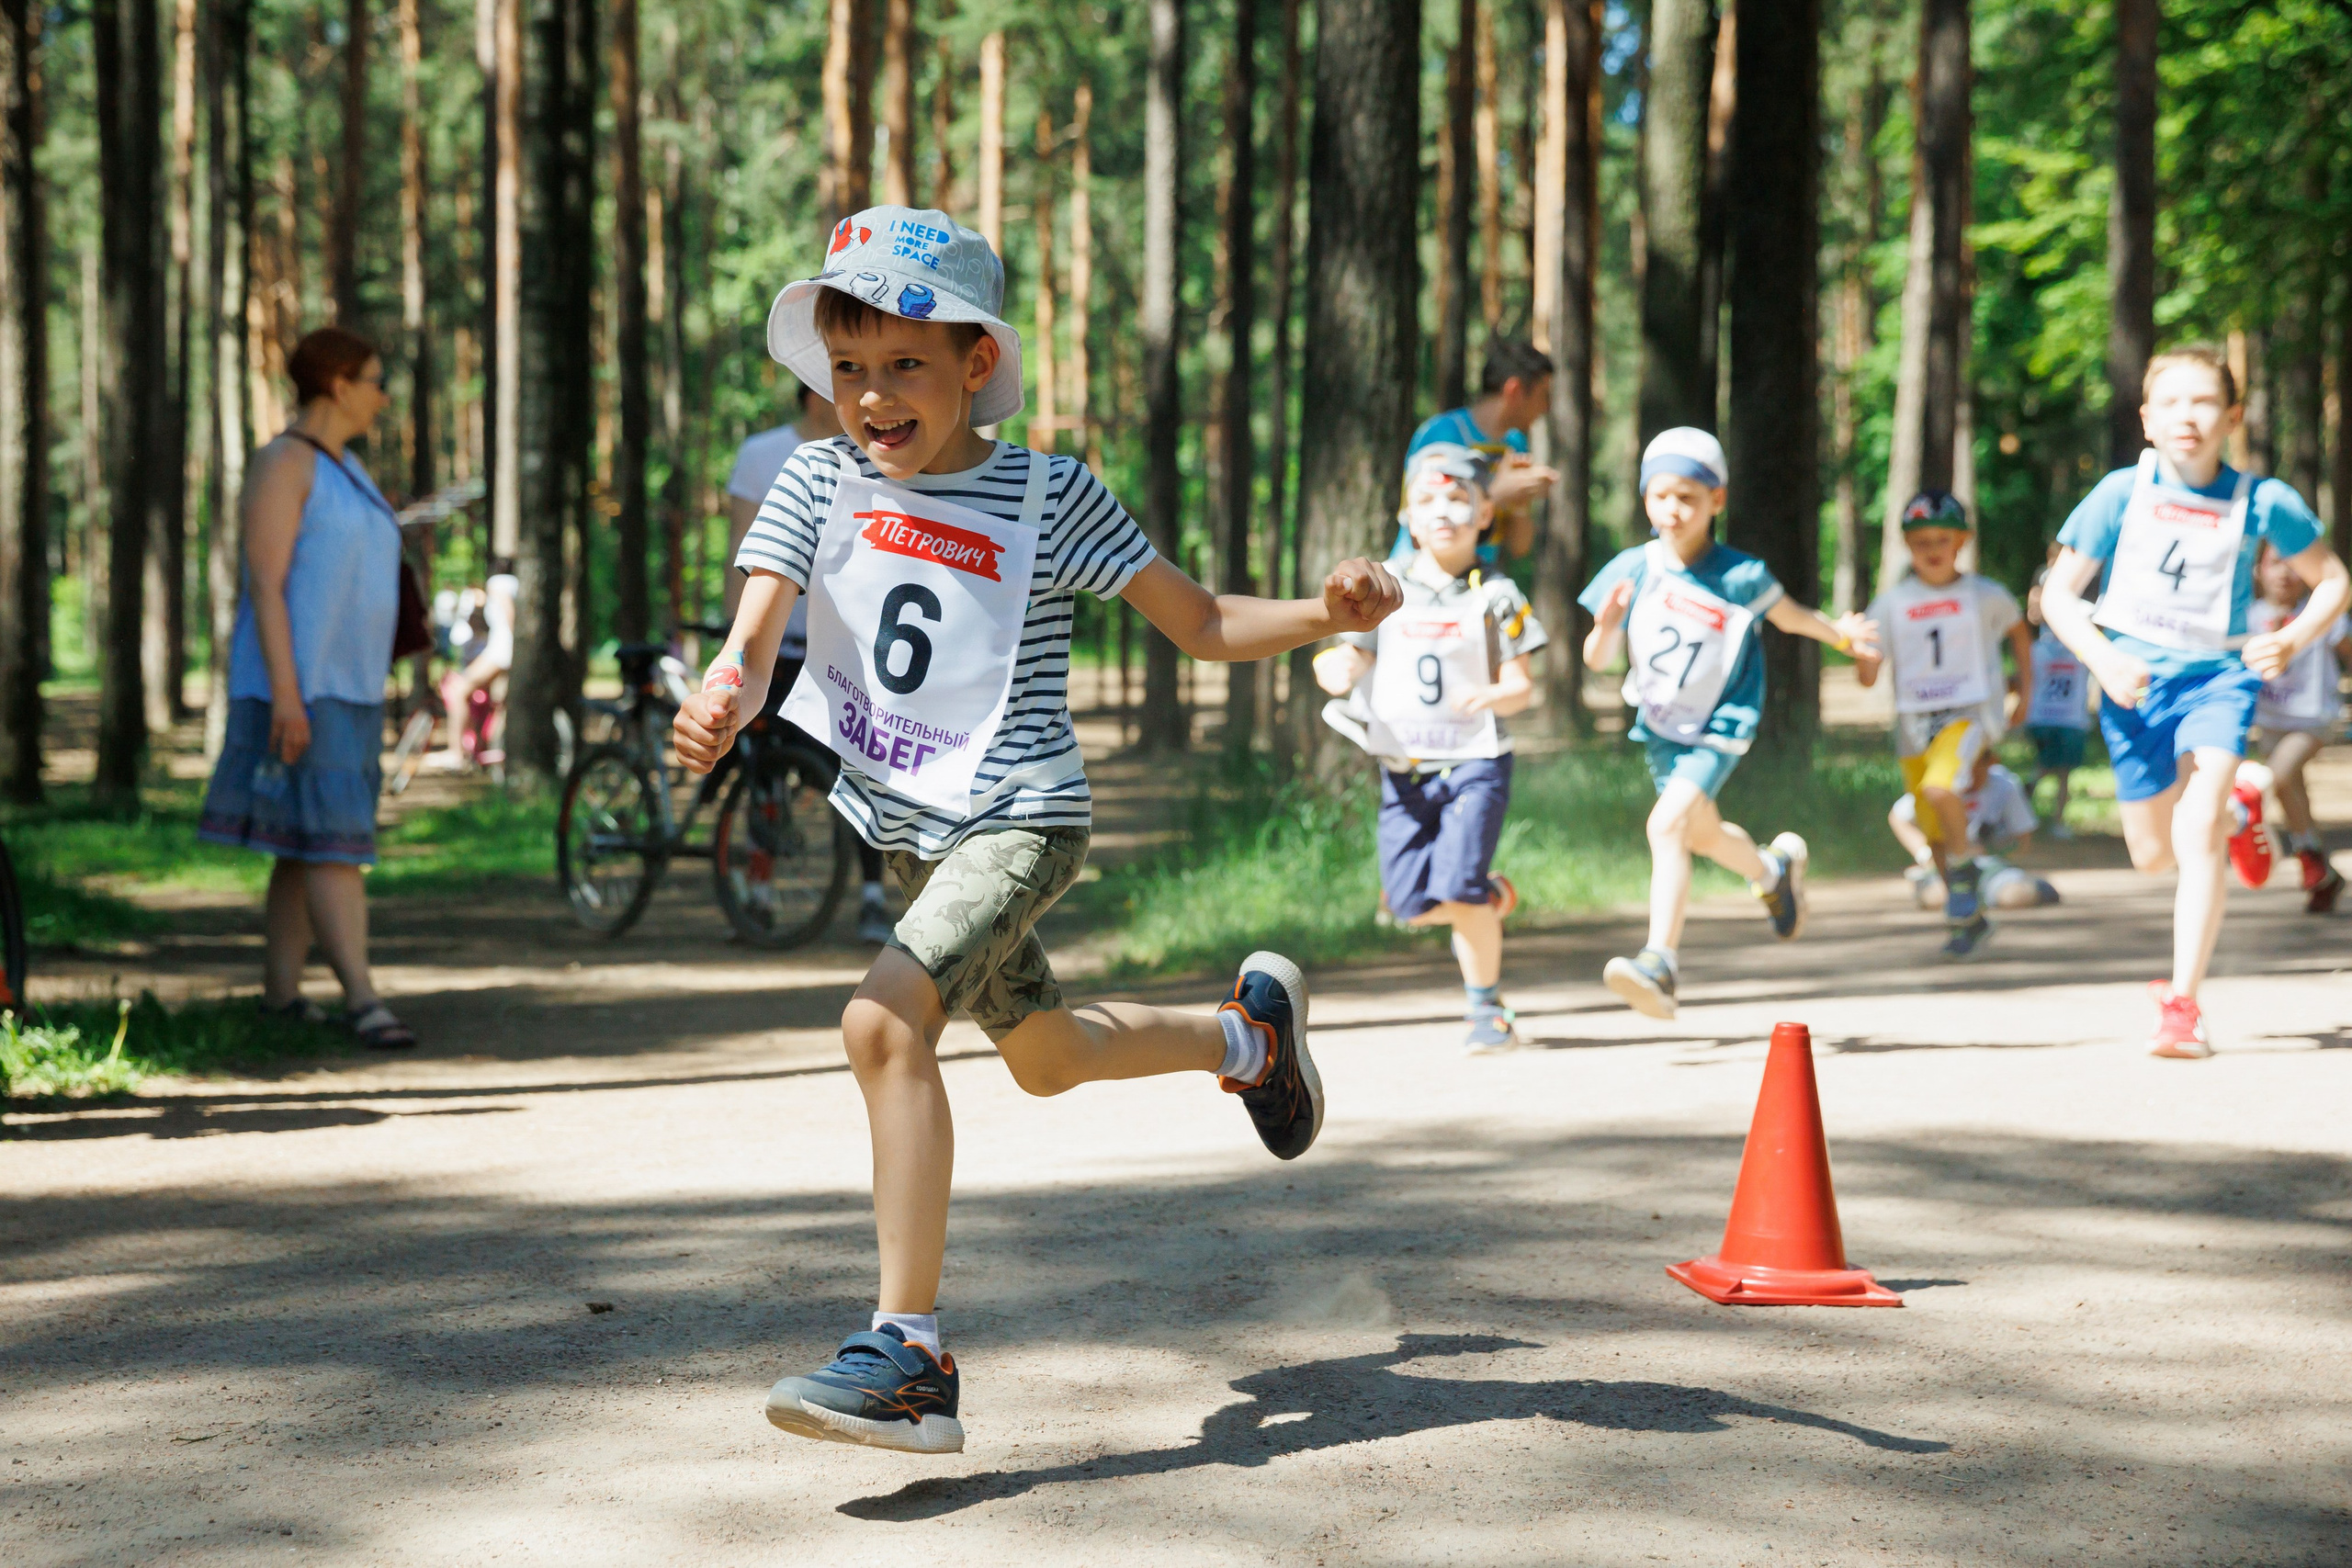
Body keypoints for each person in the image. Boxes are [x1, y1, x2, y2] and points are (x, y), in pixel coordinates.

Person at [672, 207, 1401, 1456]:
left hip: (1022, 814)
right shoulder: (813, 479)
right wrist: (720, 696)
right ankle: (1248, 1036)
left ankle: (907, 1352)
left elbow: (1205, 621)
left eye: (906, 364)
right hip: (913, 831)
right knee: (1047, 1055)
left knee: (878, 1016)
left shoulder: (1048, 493)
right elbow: (752, 637)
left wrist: (1328, 614)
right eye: (850, 367)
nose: (873, 396)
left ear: (975, 364)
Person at [2039, 344, 2350, 1058]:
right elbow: (2058, 595)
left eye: (2205, 401)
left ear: (2233, 416)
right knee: (2152, 855)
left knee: (2199, 823)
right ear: (2147, 419)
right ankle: (2240, 808)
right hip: (2132, 684)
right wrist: (2103, 656)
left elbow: (2333, 580)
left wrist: (2294, 639)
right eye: (2171, 402)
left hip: (2219, 676)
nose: (2189, 416)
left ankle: (2183, 1004)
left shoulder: (2264, 500)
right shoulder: (2120, 492)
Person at [1577, 428, 1881, 1019]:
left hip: (1722, 722)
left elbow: (1792, 618)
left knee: (1665, 827)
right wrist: (1607, 624)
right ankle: (1772, 871)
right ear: (1644, 498)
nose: (1673, 509)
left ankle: (1659, 964)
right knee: (1702, 835)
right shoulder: (1632, 568)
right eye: (1660, 495)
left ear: (1717, 501)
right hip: (1663, 728)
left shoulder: (1739, 575)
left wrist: (1845, 636)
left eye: (1688, 497)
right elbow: (1595, 658)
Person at [196, 326, 416, 1051]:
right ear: (338, 383)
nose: (386, 397)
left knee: (302, 843)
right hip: (301, 686)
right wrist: (288, 696)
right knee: (333, 847)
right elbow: (266, 583)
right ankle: (362, 997)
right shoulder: (284, 463)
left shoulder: (347, 468)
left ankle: (281, 998)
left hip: (346, 687)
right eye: (378, 380)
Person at [1312, 445, 1547, 1054]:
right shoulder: (1385, 587)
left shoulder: (1498, 593)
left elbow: (1523, 686)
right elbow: (1354, 655)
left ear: (1486, 512)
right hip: (1404, 770)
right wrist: (1336, 665)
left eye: (1457, 499)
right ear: (1408, 516)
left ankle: (1486, 1012)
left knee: (1456, 892)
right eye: (1427, 500)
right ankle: (1488, 894)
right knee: (1411, 904)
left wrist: (1494, 695)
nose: (1442, 512)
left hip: (1478, 762)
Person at [725, 384, 893, 942]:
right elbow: (740, 553)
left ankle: (873, 894)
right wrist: (737, 644)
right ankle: (760, 891)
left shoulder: (876, 454)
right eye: (843, 374)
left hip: (847, 647)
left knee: (861, 767)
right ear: (808, 390)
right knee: (764, 774)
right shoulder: (762, 454)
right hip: (779, 649)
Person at [1857, 490, 2033, 959]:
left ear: (1962, 541)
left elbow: (2019, 630)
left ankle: (1967, 873)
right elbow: (1869, 672)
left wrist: (2025, 693)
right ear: (1906, 546)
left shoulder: (1983, 595)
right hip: (1914, 724)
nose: (1932, 550)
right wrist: (1859, 651)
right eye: (1920, 542)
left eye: (1942, 539)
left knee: (1941, 789)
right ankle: (1969, 915)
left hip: (1969, 713)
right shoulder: (1893, 603)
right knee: (1934, 830)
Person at [2247, 541, 2350, 912]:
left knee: (2276, 776)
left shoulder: (2323, 613)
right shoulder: (2249, 615)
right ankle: (2320, 870)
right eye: (2276, 563)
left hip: (2313, 719)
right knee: (2292, 791)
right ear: (2259, 570)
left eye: (2294, 565)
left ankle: (2293, 854)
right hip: (2270, 721)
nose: (2286, 573)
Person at [1394, 341, 1560, 563]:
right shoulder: (1442, 434)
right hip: (1420, 581)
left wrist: (1520, 503)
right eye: (1544, 395)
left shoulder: (1515, 443)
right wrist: (1496, 495)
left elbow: (1520, 548)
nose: (1546, 407)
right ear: (1515, 390)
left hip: (1474, 586)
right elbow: (1419, 531)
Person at [1891, 751, 2058, 912]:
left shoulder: (2005, 786)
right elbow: (1898, 816)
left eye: (1977, 769)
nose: (1971, 776)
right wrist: (1925, 855)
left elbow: (2022, 842)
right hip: (1949, 866)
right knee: (1936, 899)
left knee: (2016, 897)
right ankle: (1950, 890)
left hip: (1990, 865)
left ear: (1990, 762)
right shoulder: (1942, 786)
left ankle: (2030, 886)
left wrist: (1988, 851)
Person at [431, 559, 514, 770]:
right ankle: (485, 749)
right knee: (498, 703)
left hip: (501, 652)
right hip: (506, 652)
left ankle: (456, 753)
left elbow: (508, 614)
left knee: (458, 691)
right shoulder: (516, 583)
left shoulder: (498, 583)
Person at [2022, 599, 2093, 839]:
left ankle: (2025, 811)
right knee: (2062, 773)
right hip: (2067, 721)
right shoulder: (2081, 647)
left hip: (2043, 718)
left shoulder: (2037, 650)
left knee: (2045, 767)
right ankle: (2053, 820)